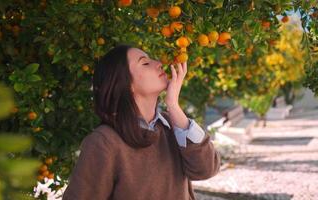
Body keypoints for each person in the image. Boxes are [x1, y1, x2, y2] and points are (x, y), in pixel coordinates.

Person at [62, 44, 221, 200]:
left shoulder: (172, 125)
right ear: (125, 84)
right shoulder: (104, 142)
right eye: (145, 63)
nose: (159, 64)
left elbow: (206, 169)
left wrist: (173, 105)